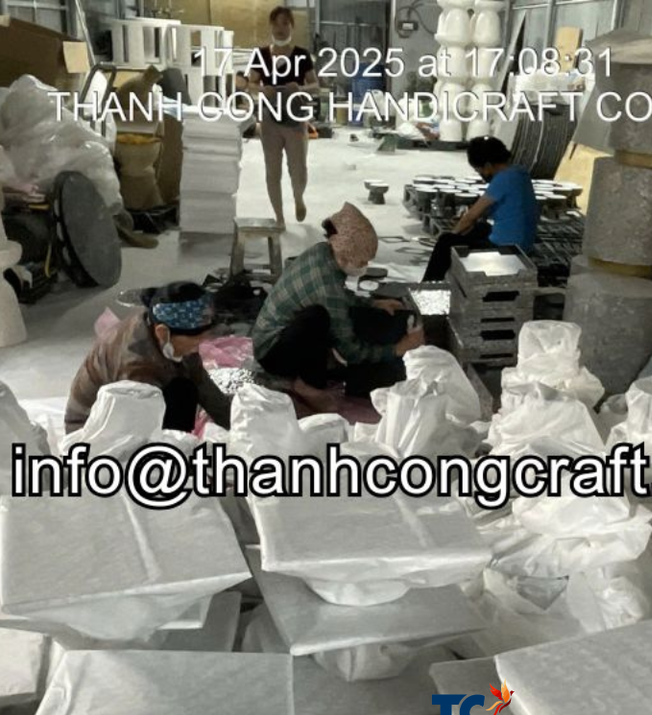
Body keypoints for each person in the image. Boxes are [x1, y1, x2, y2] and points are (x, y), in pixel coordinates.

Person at [252, 202, 424, 401]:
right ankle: (306, 385)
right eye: (362, 261)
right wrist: (398, 349)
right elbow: (351, 351)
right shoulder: (328, 288)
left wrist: (372, 303)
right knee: (317, 318)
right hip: (272, 353)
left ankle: (315, 369)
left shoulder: (323, 251)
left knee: (329, 317)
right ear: (344, 256)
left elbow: (340, 297)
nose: (365, 266)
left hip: (274, 335)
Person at [65, 283, 231, 434]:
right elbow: (139, 429)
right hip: (92, 431)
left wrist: (233, 422)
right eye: (193, 343)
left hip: (128, 408)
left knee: (186, 386)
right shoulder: (137, 366)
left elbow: (201, 382)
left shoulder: (158, 324)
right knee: (181, 393)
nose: (196, 349)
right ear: (162, 332)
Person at [422, 136, 539, 282]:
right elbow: (495, 207)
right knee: (481, 228)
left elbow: (470, 217)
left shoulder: (502, 179)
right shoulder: (520, 173)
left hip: (506, 249)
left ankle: (427, 285)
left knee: (445, 241)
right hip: (524, 244)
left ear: (488, 165)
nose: (481, 175)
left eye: (479, 171)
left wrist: (454, 235)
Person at [248, 6, 319, 228]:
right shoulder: (261, 55)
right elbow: (250, 84)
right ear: (271, 26)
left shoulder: (302, 55)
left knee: (298, 169)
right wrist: (262, 89)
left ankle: (298, 198)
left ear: (292, 27)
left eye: (285, 23)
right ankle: (279, 218)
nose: (280, 28)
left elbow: (315, 86)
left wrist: (299, 88)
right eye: (276, 23)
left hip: (295, 119)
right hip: (270, 119)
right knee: (272, 171)